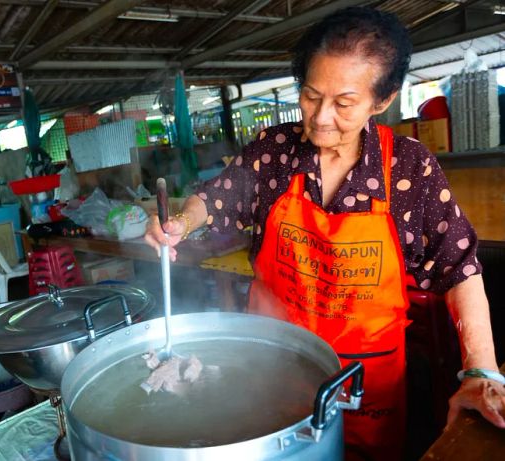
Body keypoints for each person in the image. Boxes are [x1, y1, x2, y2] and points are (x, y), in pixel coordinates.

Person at [145, 6, 505, 461]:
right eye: (311, 95)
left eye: (343, 103)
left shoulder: (408, 168)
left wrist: (482, 370)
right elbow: (214, 200)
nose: (320, 117)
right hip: (273, 365)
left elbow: (460, 268)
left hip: (364, 384)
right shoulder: (273, 152)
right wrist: (180, 223)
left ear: (382, 100)